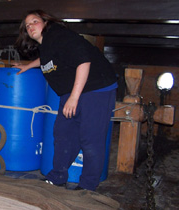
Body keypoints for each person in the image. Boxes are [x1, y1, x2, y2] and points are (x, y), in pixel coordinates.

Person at [14, 10, 117, 191]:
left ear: (46, 23)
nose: (30, 27)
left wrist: (74, 97)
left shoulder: (59, 35)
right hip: (72, 91)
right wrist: (29, 65)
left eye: (35, 21)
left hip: (96, 88)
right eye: (27, 25)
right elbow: (48, 60)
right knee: (63, 134)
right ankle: (58, 177)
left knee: (90, 139)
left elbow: (83, 61)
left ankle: (87, 187)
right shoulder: (47, 45)